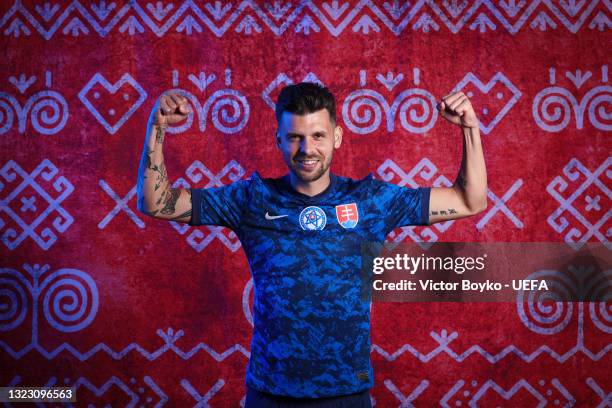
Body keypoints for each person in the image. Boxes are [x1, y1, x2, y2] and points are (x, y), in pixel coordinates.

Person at [136, 83, 487, 407]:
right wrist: (157, 128)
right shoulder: (252, 199)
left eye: (318, 135)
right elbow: (157, 202)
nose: (307, 149)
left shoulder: (372, 200)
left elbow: (469, 200)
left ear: (337, 136)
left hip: (347, 392)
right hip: (270, 392)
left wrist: (470, 128)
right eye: (295, 137)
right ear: (277, 139)